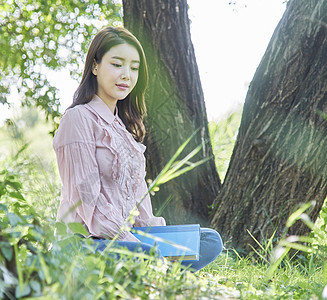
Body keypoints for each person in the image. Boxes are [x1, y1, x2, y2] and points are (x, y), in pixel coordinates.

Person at [53, 26, 222, 271]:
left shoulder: (125, 131)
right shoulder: (78, 119)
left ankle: (154, 272)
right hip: (83, 243)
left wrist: (165, 243)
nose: (126, 75)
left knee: (208, 240)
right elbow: (89, 203)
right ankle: (159, 274)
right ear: (95, 66)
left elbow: (141, 209)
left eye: (134, 68)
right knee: (146, 253)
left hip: (127, 241)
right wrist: (142, 246)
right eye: (117, 64)